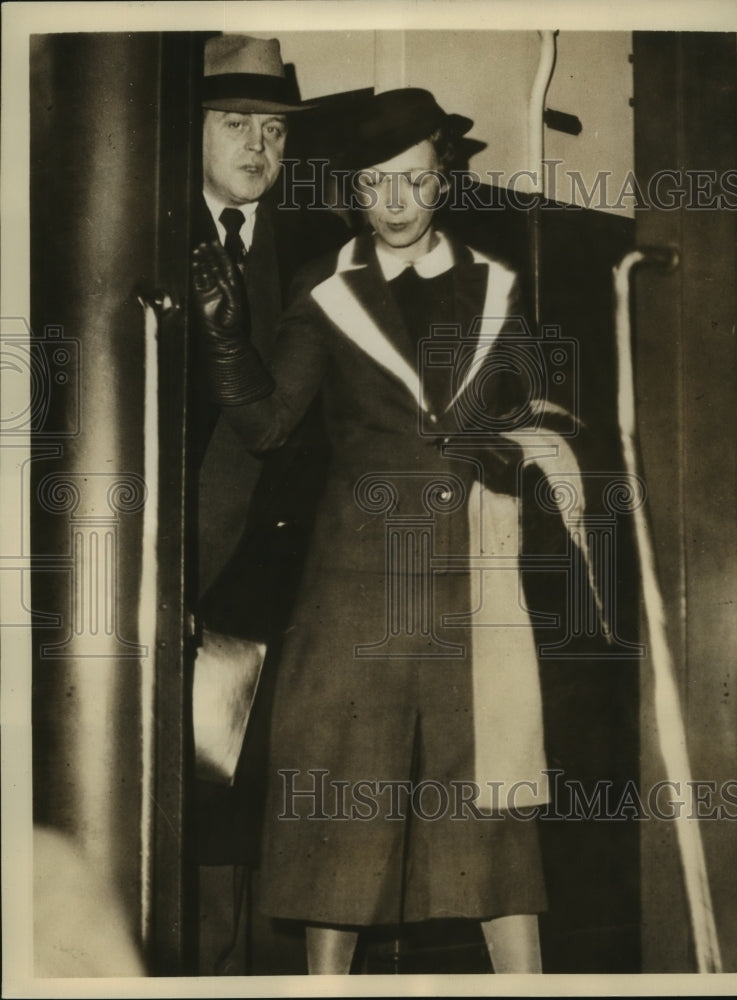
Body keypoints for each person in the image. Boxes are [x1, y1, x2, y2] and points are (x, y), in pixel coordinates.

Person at [192, 88, 559, 975]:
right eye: (375, 184)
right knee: (341, 817)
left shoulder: (499, 284)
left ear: (444, 181)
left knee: (492, 819)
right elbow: (269, 424)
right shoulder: (326, 286)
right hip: (353, 592)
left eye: (415, 181)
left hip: (471, 588)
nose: (396, 202)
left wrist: (521, 451)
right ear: (353, 191)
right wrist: (228, 343)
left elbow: (538, 414)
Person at [191, 33, 347, 972]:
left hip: (282, 574)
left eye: (275, 130)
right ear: (191, 133)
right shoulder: (139, 229)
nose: (260, 146)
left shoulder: (316, 248)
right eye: (236, 123)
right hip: (181, 572)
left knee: (261, 810)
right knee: (192, 812)